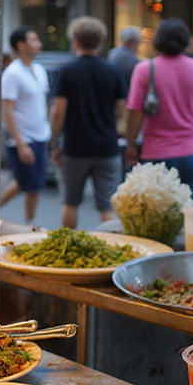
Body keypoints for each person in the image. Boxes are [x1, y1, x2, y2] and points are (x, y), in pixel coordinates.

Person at [123, 17, 193, 199]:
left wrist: (130, 144)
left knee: (157, 217)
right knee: (192, 215)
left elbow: (134, 113)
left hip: (156, 153)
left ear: (157, 40)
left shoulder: (145, 69)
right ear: (186, 41)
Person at [49, 16, 126, 228]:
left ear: (75, 40)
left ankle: (67, 251)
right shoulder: (113, 72)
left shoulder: (66, 72)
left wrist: (54, 142)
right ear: (100, 41)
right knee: (107, 206)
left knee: (70, 202)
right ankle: (109, 253)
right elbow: (122, 111)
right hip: (107, 147)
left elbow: (58, 113)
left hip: (75, 148)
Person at [0, 26, 50, 224]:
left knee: (34, 184)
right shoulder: (12, 73)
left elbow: (43, 101)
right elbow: (7, 110)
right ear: (21, 45)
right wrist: (20, 142)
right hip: (23, 137)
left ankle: (30, 221)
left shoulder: (39, 69)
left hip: (40, 134)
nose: (38, 44)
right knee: (22, 181)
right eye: (34, 40)